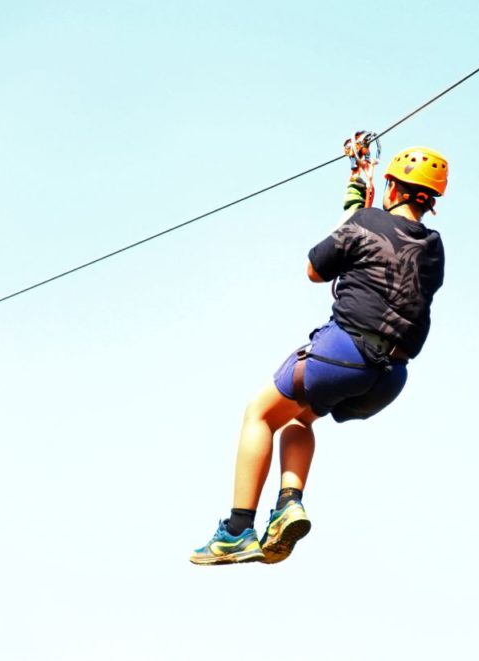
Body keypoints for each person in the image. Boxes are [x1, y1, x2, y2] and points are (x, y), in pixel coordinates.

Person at [189, 145, 448, 565]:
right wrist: (359, 196)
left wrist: (355, 197)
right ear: (429, 201)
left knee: (258, 413)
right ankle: (289, 503)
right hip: (388, 379)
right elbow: (384, 242)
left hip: (342, 354)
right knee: (298, 416)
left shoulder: (364, 220)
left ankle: (237, 529)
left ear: (393, 187)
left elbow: (316, 267)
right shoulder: (434, 248)